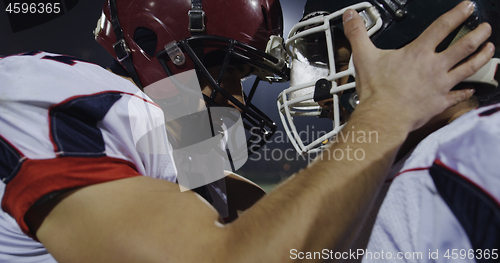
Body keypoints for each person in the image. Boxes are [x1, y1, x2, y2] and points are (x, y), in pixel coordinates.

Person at [0, 0, 494, 262]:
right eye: (231, 71)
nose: (237, 98)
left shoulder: (168, 148)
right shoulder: (55, 91)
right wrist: (386, 112)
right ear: (161, 48)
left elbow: (284, 226)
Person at [280, 0, 500, 261]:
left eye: (340, 64)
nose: (322, 97)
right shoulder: (375, 173)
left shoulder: (477, 151)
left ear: (419, 46)